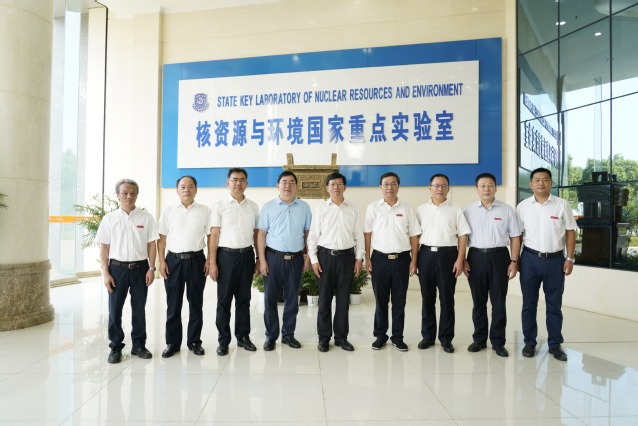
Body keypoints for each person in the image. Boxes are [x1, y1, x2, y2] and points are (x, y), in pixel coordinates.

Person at [516, 167, 576, 361]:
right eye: (537, 180)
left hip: (555, 261)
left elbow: (570, 232)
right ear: (531, 184)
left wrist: (569, 258)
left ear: (551, 183)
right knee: (529, 304)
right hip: (530, 259)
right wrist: (515, 260)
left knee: (554, 305)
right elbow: (517, 235)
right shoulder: (523, 206)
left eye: (545, 179)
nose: (541, 183)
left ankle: (555, 345)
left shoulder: (562, 205)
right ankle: (529, 342)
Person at [96, 179, 159, 363]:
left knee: (139, 309)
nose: (129, 196)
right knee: (115, 310)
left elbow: (152, 245)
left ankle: (139, 345)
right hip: (117, 269)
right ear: (118, 195)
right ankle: (115, 347)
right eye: (124, 193)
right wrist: (106, 273)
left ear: (137, 195)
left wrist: (152, 268)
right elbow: (104, 248)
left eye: (132, 193)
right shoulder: (109, 219)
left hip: (141, 269)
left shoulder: (146, 218)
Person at [462, 172, 521, 358]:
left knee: (498, 302)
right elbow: (461, 238)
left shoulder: (506, 210)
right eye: (482, 185)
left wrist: (514, 261)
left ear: (495, 188)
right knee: (478, 301)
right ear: (476, 189)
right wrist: (463, 259)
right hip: (475, 257)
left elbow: (515, 236)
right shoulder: (468, 211)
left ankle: (498, 342)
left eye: (490, 185)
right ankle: (479, 339)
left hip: (500, 257)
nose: (486, 189)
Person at [307, 172, 365, 352]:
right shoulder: (320, 209)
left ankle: (341, 338)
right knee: (324, 300)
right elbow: (313, 237)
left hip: (347, 258)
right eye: (332, 184)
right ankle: (324, 338)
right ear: (327, 188)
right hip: (325, 258)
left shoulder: (353, 208)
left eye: (339, 184)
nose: (336, 187)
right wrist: (314, 260)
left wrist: (359, 258)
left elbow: (359, 236)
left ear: (345, 187)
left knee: (343, 301)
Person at [364, 172, 420, 352]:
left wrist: (414, 260)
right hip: (379, 260)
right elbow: (367, 234)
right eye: (386, 184)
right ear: (380, 187)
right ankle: (380, 336)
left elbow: (414, 236)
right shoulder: (373, 208)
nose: (390, 187)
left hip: (402, 260)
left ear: (398, 186)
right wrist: (367, 257)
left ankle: (397, 337)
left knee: (399, 301)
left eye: (393, 183)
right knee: (380, 301)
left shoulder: (407, 209)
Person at [257, 171, 312, 351]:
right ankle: (271, 336)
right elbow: (261, 234)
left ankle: (288, 335)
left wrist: (308, 257)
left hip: (296, 259)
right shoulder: (268, 206)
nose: (287, 185)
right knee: (270, 300)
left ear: (296, 186)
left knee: (292, 300)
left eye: (291, 182)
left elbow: (309, 234)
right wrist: (262, 260)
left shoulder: (304, 207)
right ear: (278, 186)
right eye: (284, 182)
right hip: (273, 258)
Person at [416, 174, 471, 354]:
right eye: (436, 185)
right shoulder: (421, 210)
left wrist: (460, 259)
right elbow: (415, 236)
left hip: (448, 256)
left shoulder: (456, 209)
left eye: (443, 185)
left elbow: (462, 235)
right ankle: (428, 336)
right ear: (429, 188)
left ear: (448, 188)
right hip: (425, 255)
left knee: (447, 298)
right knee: (427, 298)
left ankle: (446, 339)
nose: (439, 189)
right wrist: (415, 259)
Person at [208, 168, 260, 356]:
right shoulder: (219, 206)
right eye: (235, 179)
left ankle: (243, 337)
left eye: (242, 180)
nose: (239, 183)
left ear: (247, 183)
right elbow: (214, 235)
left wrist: (258, 259)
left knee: (244, 300)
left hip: (246, 255)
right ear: (228, 182)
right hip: (226, 257)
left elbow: (256, 235)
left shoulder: (253, 206)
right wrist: (212, 262)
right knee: (224, 301)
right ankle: (223, 340)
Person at [157, 176, 210, 358]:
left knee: (196, 303)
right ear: (177, 190)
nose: (186, 189)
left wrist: (210, 260)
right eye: (183, 187)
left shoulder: (205, 211)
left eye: (190, 186)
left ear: (196, 190)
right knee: (173, 304)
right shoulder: (169, 211)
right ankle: (172, 342)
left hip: (197, 260)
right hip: (173, 261)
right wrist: (161, 261)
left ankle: (194, 341)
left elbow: (211, 236)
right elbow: (161, 238)